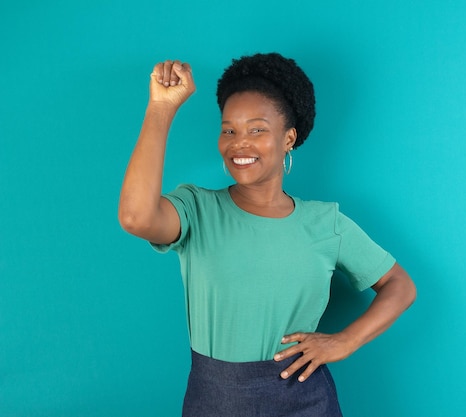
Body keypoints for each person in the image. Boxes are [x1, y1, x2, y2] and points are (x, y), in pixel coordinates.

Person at [118, 52, 416, 417]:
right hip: (215, 400)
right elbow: (135, 216)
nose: (239, 143)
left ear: (288, 138)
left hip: (306, 401)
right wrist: (161, 109)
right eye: (229, 130)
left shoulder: (326, 223)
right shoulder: (196, 209)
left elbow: (400, 285)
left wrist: (344, 342)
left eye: (257, 129)